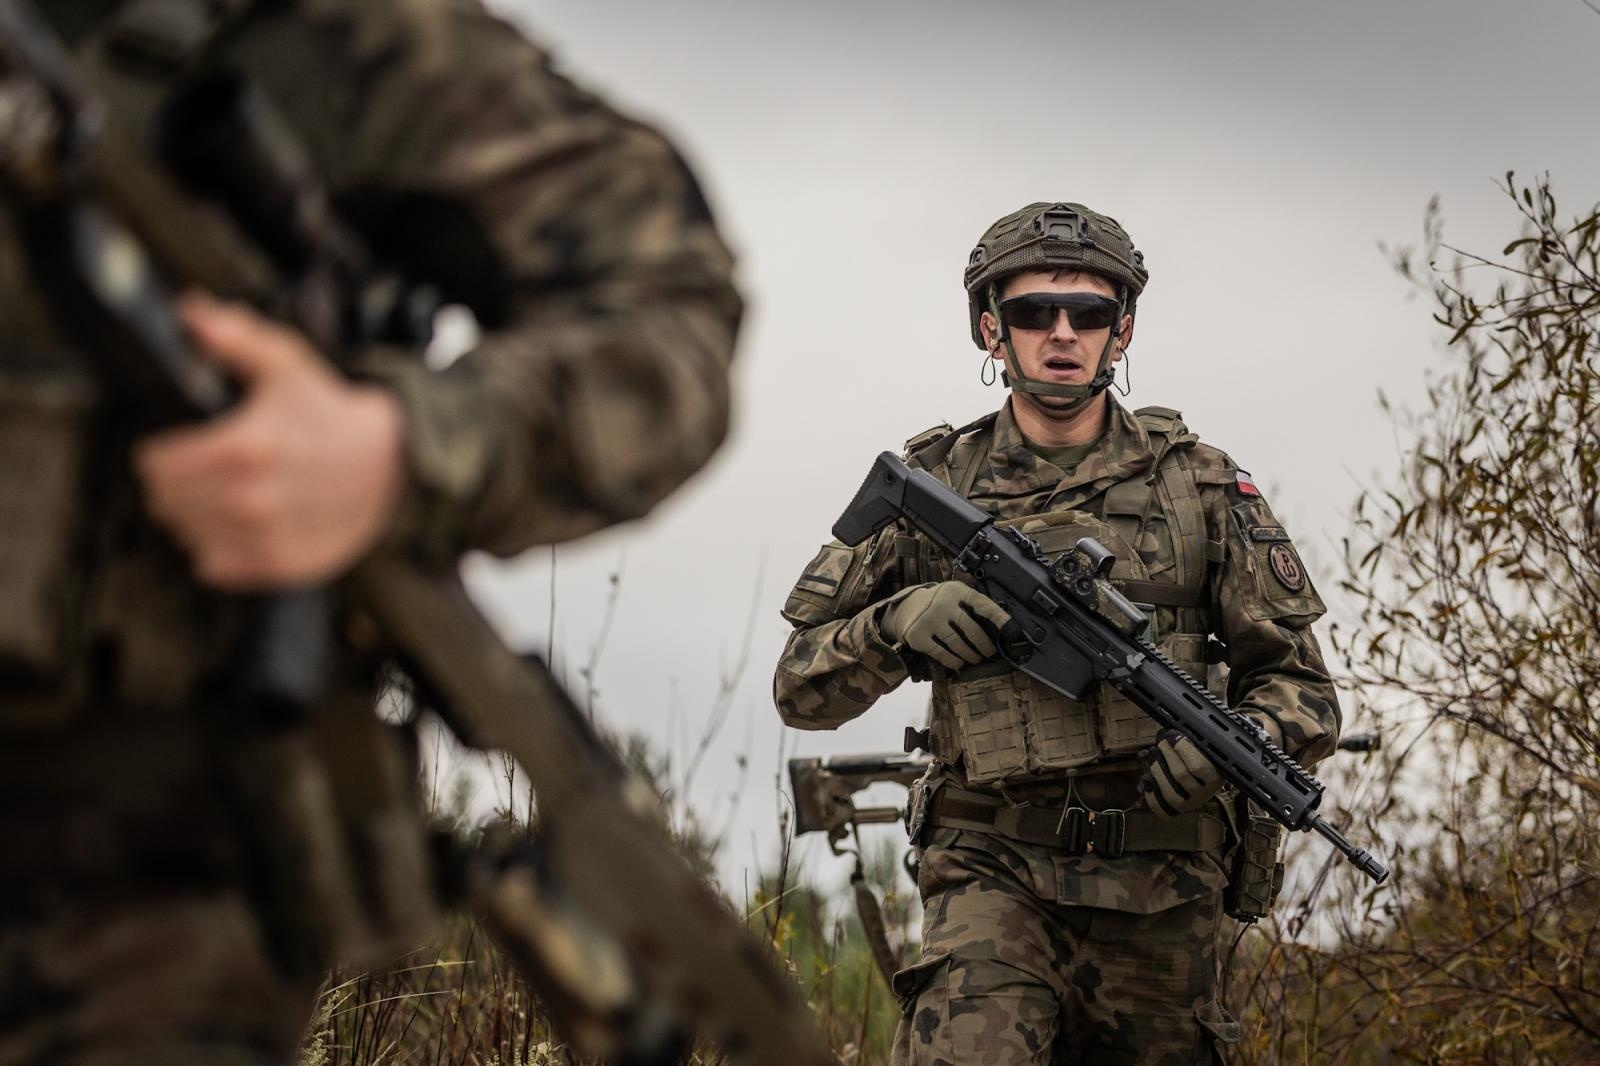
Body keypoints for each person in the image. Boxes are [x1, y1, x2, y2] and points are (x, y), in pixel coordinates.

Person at [0, 2, 741, 1063]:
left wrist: (398, 448)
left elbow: (668, 307)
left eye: (1080, 314)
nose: (1064, 336)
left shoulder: (326, 35)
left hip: (113, 903)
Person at [774, 202, 1340, 1064]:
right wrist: (898, 624)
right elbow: (799, 687)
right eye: (1035, 311)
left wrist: (1246, 739)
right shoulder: (935, 486)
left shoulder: (1204, 488)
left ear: (1124, 330)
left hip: (1161, 884)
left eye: (1090, 312)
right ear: (990, 329)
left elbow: (1302, 685)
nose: (1063, 333)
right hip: (989, 864)